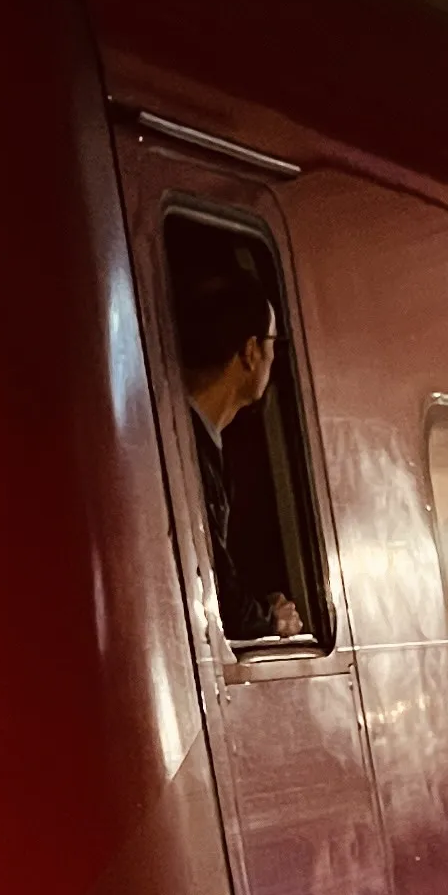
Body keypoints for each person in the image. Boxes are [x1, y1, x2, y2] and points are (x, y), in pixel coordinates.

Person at [171, 235, 307, 643]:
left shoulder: (192, 436)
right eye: (272, 344)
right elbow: (215, 595)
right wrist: (271, 619)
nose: (273, 358)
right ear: (250, 352)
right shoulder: (190, 451)